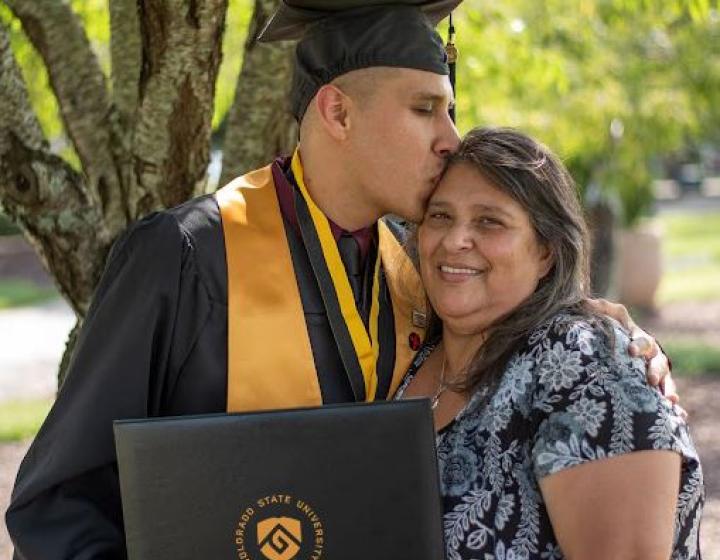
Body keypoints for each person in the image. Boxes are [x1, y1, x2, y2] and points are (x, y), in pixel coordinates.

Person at [6, 1, 671, 558]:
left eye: (448, 110)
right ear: (338, 113)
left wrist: (605, 329)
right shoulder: (186, 257)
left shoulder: (419, 269)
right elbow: (57, 502)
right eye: (425, 109)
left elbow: (534, 333)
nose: (450, 137)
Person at [397, 127, 703, 559]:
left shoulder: (585, 366)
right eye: (440, 216)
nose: (454, 240)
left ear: (546, 252)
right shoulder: (410, 353)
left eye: (489, 221)